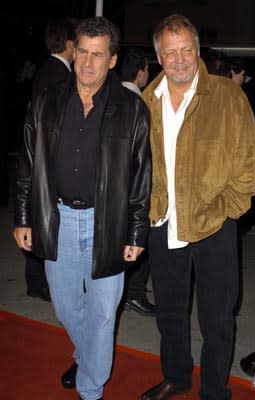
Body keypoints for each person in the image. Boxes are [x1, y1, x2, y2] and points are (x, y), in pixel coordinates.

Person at [13, 16, 151, 400]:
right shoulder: (47, 101)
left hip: (108, 223)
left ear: (112, 60)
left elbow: (142, 176)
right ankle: (88, 354)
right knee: (65, 306)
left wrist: (137, 233)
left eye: (98, 55)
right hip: (58, 219)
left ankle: (91, 388)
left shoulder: (131, 108)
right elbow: (28, 162)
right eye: (82, 53)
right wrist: (24, 216)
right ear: (73, 51)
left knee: (104, 314)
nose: (88, 64)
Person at [140, 14, 255, 400]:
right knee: (169, 314)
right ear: (159, 56)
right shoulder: (144, 103)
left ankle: (213, 390)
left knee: (217, 320)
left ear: (197, 50)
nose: (179, 60)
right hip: (163, 226)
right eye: (170, 52)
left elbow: (250, 167)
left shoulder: (228, 97)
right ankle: (176, 376)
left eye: (186, 50)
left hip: (214, 227)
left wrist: (226, 209)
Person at [24, 16, 78, 302]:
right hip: (49, 157)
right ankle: (40, 282)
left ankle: (36, 281)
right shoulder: (61, 75)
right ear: (69, 44)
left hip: (41, 154)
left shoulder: (46, 69)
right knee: (43, 220)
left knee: (38, 218)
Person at [119, 46, 155, 316]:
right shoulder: (141, 104)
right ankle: (134, 294)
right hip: (134, 188)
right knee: (138, 240)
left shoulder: (106, 96)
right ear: (140, 72)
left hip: (112, 190)